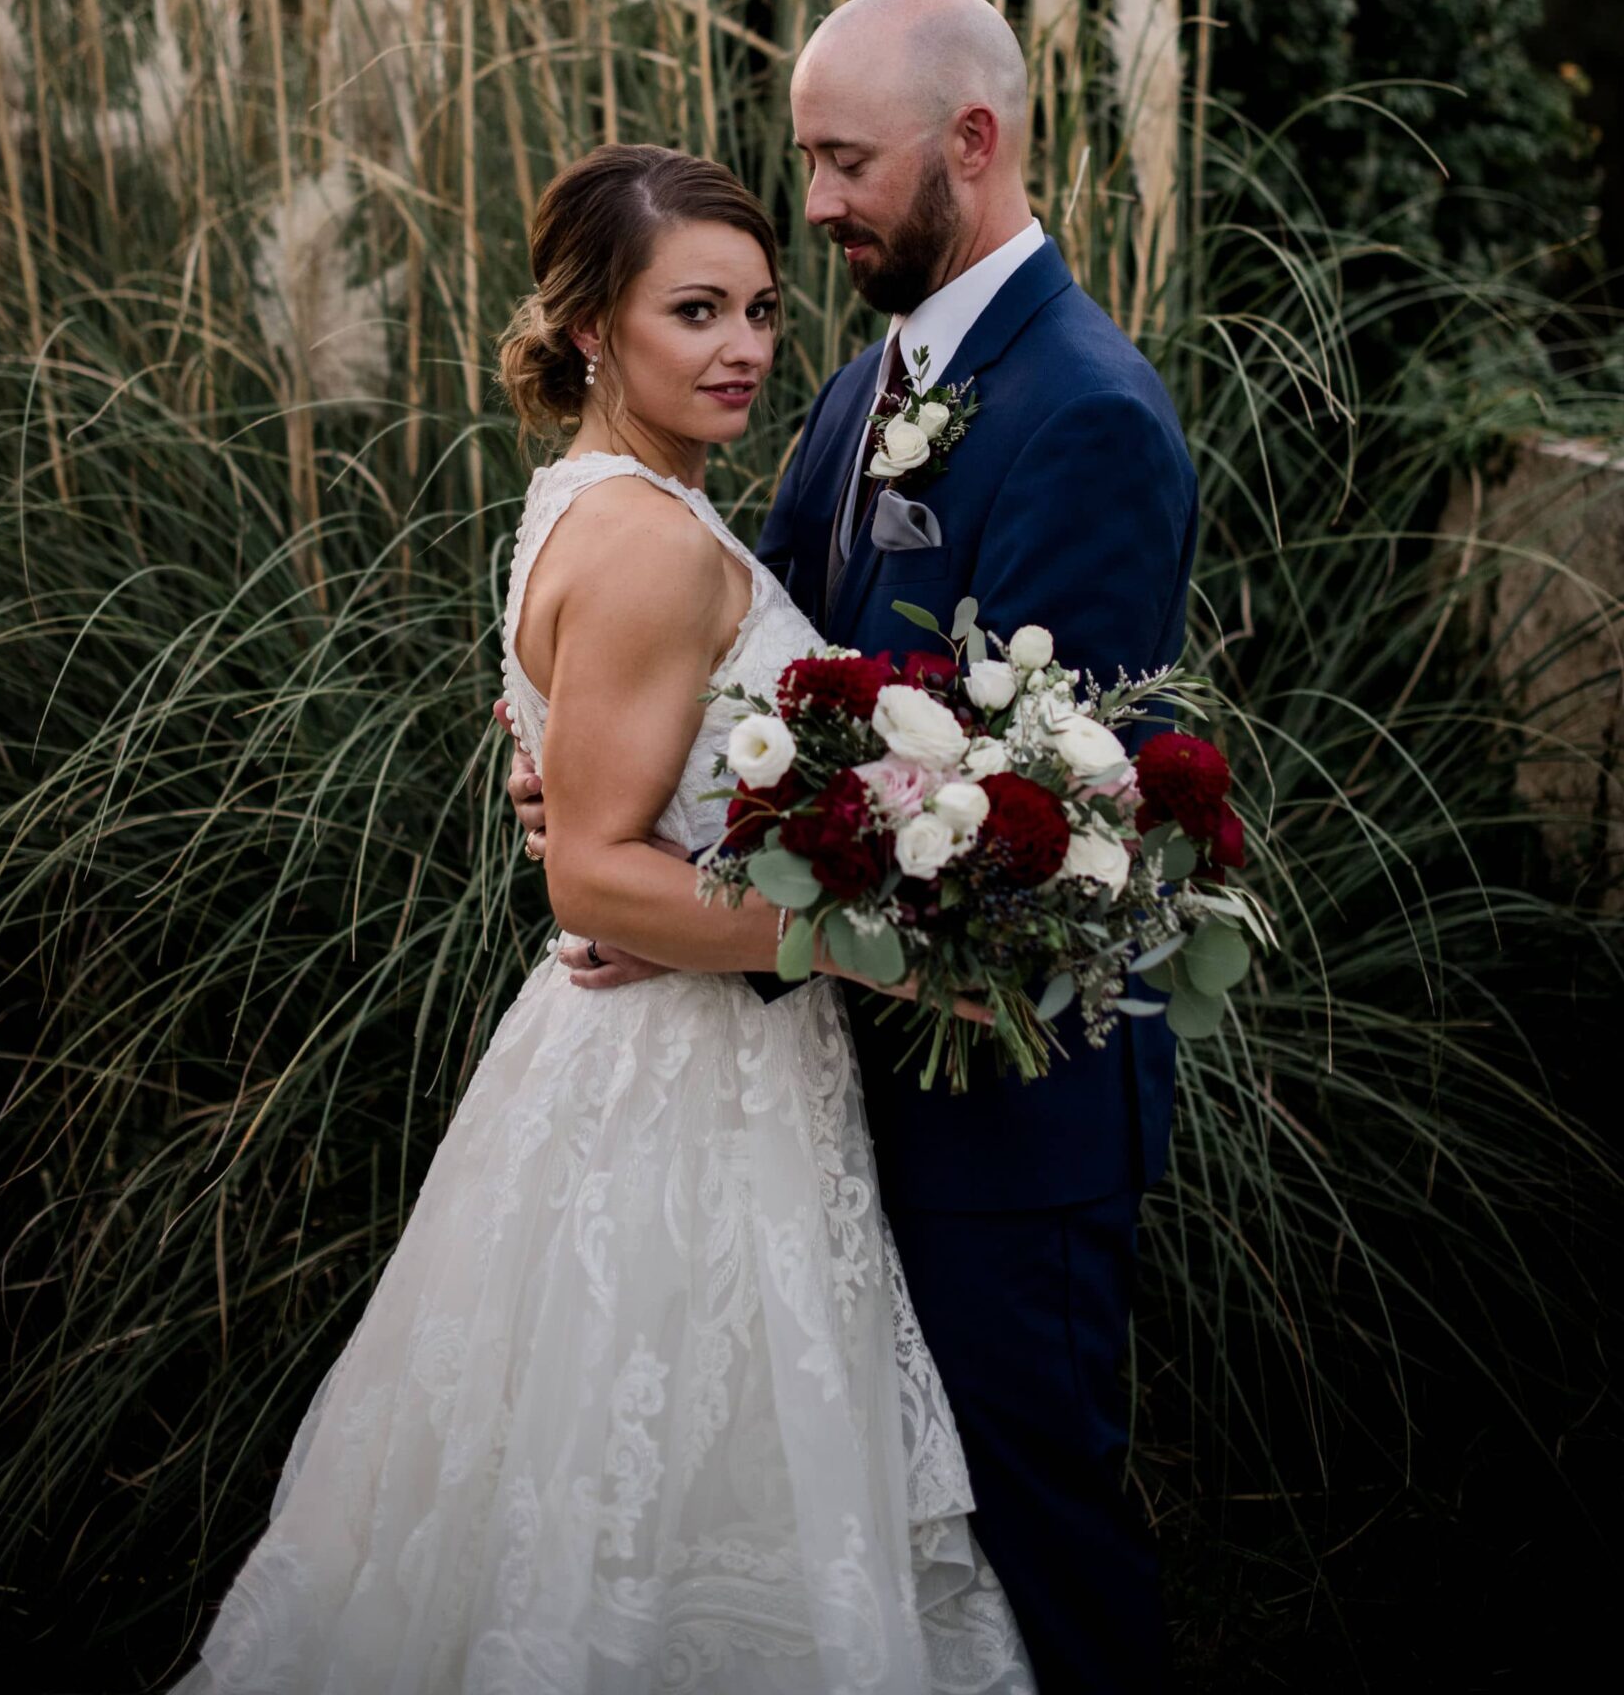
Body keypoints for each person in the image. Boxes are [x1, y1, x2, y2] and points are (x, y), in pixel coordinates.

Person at [172, 143, 1031, 1695]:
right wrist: (879, 944)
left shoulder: (598, 497)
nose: (747, 349)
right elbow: (591, 877)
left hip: (665, 1053)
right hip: (681, 1092)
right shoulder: (642, 539)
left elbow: (611, 809)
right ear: (589, 328)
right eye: (694, 311)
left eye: (763, 309)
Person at [509, 0, 1198, 1693]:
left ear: (972, 143)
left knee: (1034, 1528)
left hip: (1001, 1104)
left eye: (841, 162)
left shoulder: (1086, 410)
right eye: (806, 161)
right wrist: (615, 813)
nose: (811, 204)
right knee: (881, 1540)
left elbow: (1048, 822)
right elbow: (772, 702)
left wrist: (678, 892)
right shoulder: (855, 382)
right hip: (820, 1093)